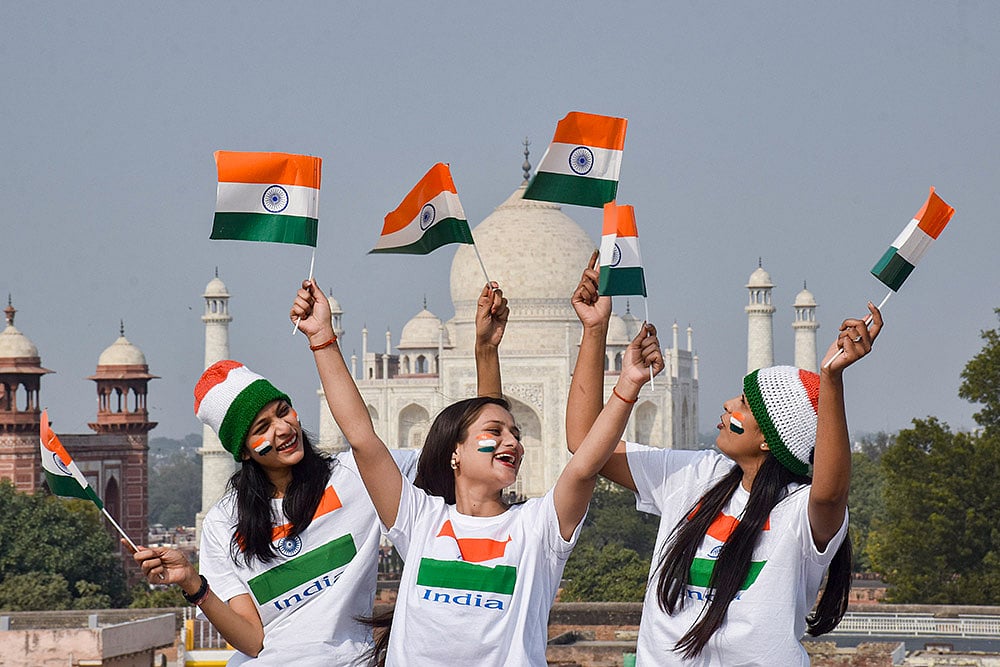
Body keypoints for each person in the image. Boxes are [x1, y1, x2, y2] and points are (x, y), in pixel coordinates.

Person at [290, 277, 665, 666]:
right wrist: (322, 338)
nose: (513, 443)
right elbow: (363, 437)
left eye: (516, 435)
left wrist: (627, 382)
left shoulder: (535, 529)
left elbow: (586, 465)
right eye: (495, 433)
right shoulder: (421, 521)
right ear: (455, 453)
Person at [131, 282, 510, 666]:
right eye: (261, 427)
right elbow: (252, 640)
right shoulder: (224, 523)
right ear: (243, 450)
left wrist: (485, 352)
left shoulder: (354, 479)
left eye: (283, 412)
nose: (282, 429)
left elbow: (473, 448)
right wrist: (193, 584)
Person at [565, 254, 883, 666]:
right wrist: (596, 334)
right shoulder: (695, 478)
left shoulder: (795, 516)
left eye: (746, 404)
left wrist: (832, 380)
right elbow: (584, 444)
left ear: (770, 441)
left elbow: (829, 493)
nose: (729, 404)